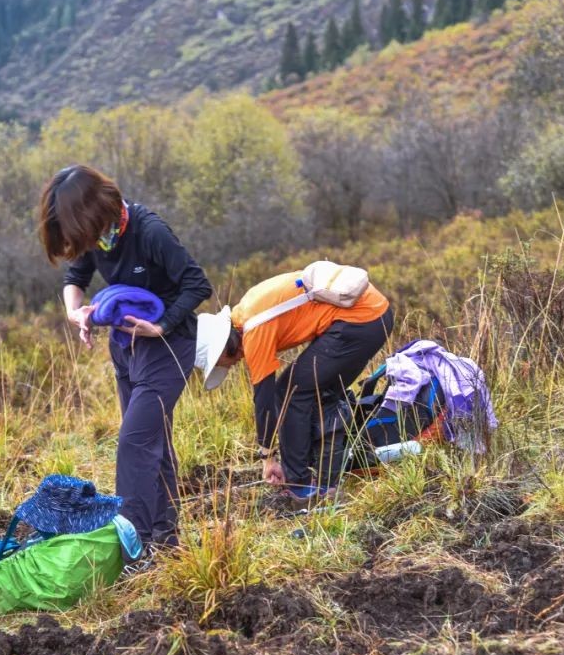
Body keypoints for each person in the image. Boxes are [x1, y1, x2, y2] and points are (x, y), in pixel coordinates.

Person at [38, 165, 212, 553]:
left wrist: (162, 325)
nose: (78, 242)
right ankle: (164, 538)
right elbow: (75, 278)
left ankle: (132, 543)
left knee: (134, 443)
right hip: (126, 346)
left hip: (168, 346)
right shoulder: (97, 237)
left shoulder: (149, 231)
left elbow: (198, 283)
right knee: (153, 441)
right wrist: (76, 313)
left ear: (95, 211)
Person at [194, 271, 393, 510]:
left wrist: (268, 457)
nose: (230, 365)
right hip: (374, 316)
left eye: (220, 362)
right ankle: (326, 483)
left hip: (360, 321)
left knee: (290, 391)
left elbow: (265, 401)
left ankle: (300, 487)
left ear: (225, 346)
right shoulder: (246, 311)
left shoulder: (253, 329)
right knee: (318, 393)